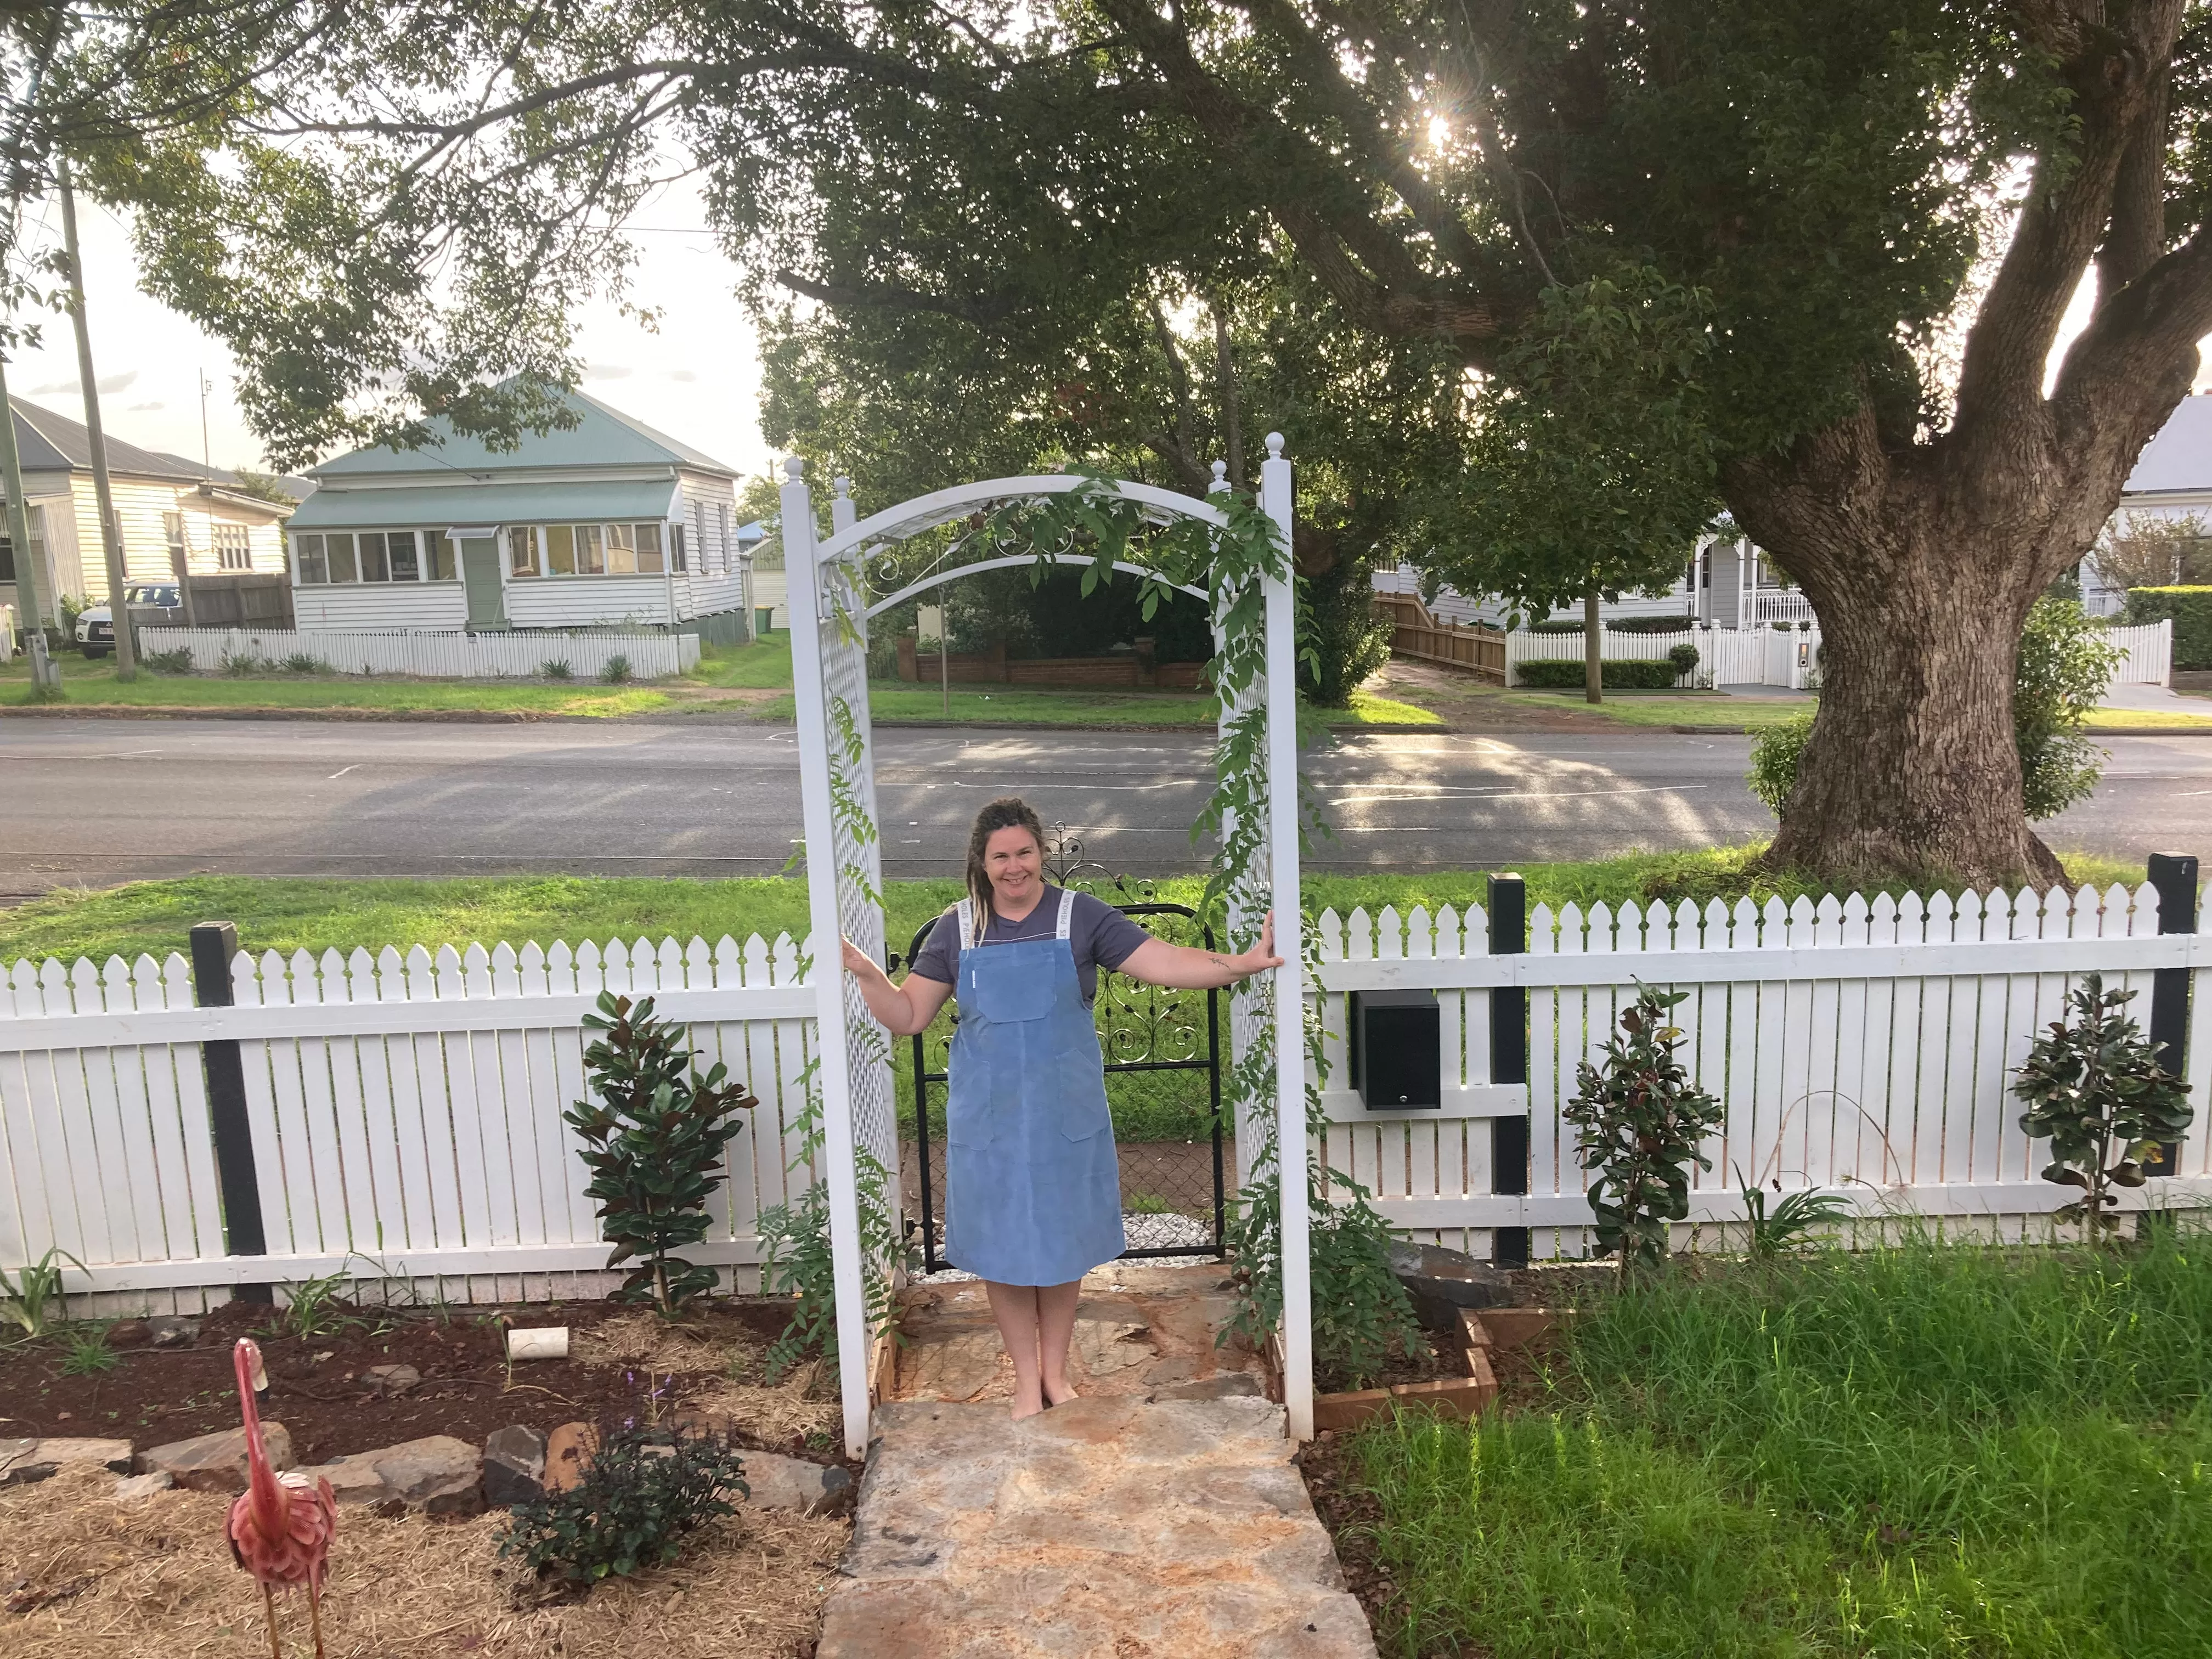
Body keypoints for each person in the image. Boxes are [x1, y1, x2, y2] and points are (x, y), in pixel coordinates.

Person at [842, 795, 1282, 1419]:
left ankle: (1055, 1374)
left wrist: (1240, 965)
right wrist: (867, 976)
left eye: (1024, 852)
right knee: (1003, 1251)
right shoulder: (956, 929)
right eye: (1001, 856)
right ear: (983, 862)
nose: (1014, 866)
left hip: (1062, 1118)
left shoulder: (1082, 918)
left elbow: (1165, 962)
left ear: (1039, 854)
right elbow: (909, 1016)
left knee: (1060, 1248)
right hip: (990, 1124)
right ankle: (1026, 1380)